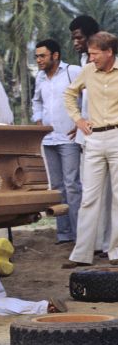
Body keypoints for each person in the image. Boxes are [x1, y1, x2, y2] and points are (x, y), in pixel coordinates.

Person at [62, 32, 118, 268]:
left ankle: (115, 252)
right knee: (89, 197)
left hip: (117, 134)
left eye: (95, 54)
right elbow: (69, 93)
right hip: (93, 136)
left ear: (109, 52)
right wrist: (78, 119)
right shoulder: (87, 71)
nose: (91, 58)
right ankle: (81, 254)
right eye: (89, 54)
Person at [31, 38, 82, 245]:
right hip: (48, 139)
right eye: (36, 57)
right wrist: (37, 120)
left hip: (69, 137)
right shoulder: (40, 77)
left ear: (55, 55)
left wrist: (81, 121)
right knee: (57, 186)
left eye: (42, 56)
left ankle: (81, 236)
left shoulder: (73, 71)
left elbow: (86, 96)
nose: (39, 60)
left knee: (72, 186)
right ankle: (64, 234)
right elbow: (36, 101)